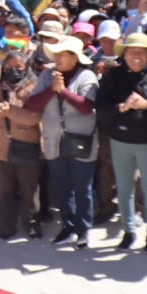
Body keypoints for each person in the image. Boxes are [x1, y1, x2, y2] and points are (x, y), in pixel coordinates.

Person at [95, 34, 147, 253]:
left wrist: (145, 104)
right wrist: (120, 108)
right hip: (121, 140)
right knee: (124, 188)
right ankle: (129, 231)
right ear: (125, 55)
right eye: (132, 52)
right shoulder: (113, 76)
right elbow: (101, 106)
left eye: (141, 53)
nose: (137, 57)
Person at [30, 36, 99, 249]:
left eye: (63, 55)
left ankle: (83, 229)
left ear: (74, 58)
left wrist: (63, 91)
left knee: (82, 187)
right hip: (54, 140)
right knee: (62, 186)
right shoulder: (47, 75)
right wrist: (51, 89)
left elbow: (86, 106)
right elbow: (33, 104)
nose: (58, 58)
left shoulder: (87, 76)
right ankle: (67, 226)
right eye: (56, 55)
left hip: (81, 139)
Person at [0, 50, 44, 240]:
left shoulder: (35, 87)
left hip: (26, 144)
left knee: (29, 190)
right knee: (3, 190)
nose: (13, 70)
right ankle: (7, 226)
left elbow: (34, 117)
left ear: (26, 68)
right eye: (8, 67)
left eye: (18, 67)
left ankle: (32, 224)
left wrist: (11, 112)